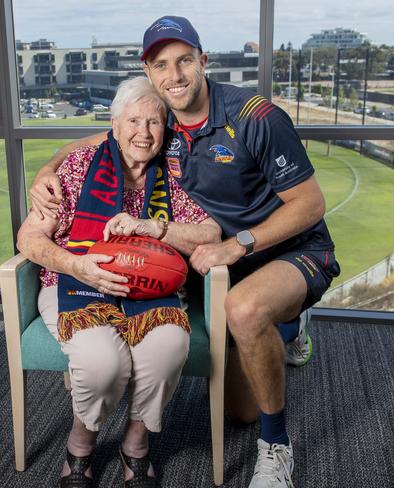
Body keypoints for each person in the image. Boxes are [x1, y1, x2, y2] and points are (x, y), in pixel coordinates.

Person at [29, 16, 340, 488]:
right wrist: (47, 170)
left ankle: (277, 448)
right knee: (241, 412)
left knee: (246, 308)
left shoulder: (257, 117)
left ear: (203, 61)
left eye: (184, 61)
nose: (174, 76)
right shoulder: (163, 118)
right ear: (150, 73)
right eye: (161, 65)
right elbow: (102, 138)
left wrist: (237, 244)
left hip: (285, 247)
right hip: (218, 257)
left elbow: (311, 203)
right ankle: (288, 324)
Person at [17, 76, 221, 488]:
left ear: (166, 130)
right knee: (102, 363)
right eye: (133, 121)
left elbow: (211, 232)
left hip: (152, 288)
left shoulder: (176, 176)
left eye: (154, 123)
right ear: (114, 124)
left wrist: (153, 227)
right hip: (76, 283)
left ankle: (136, 442)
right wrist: (75, 265)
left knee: (168, 347)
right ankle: (81, 442)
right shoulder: (75, 169)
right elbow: (28, 238)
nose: (143, 133)